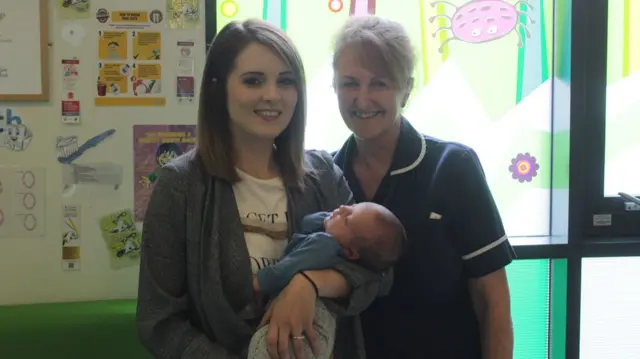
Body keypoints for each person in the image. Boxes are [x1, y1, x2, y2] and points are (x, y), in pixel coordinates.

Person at [136, 19, 389, 359]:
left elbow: (377, 274)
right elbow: (159, 322)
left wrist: (308, 284)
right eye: (253, 80)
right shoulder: (179, 186)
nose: (272, 95)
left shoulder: (324, 173)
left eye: (285, 81)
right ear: (216, 87)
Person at [330, 16, 516, 358]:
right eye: (350, 83)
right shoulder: (326, 176)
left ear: (407, 89)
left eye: (380, 83)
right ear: (334, 87)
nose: (363, 98)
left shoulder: (453, 167)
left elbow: (492, 299)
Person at [248, 202, 406, 359]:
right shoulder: (339, 243)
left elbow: (284, 270)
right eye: (351, 206)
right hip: (322, 318)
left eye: (348, 219)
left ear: (351, 253)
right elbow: (309, 221)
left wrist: (258, 282)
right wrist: (336, 219)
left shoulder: (323, 245)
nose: (343, 208)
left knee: (265, 348)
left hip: (314, 315)